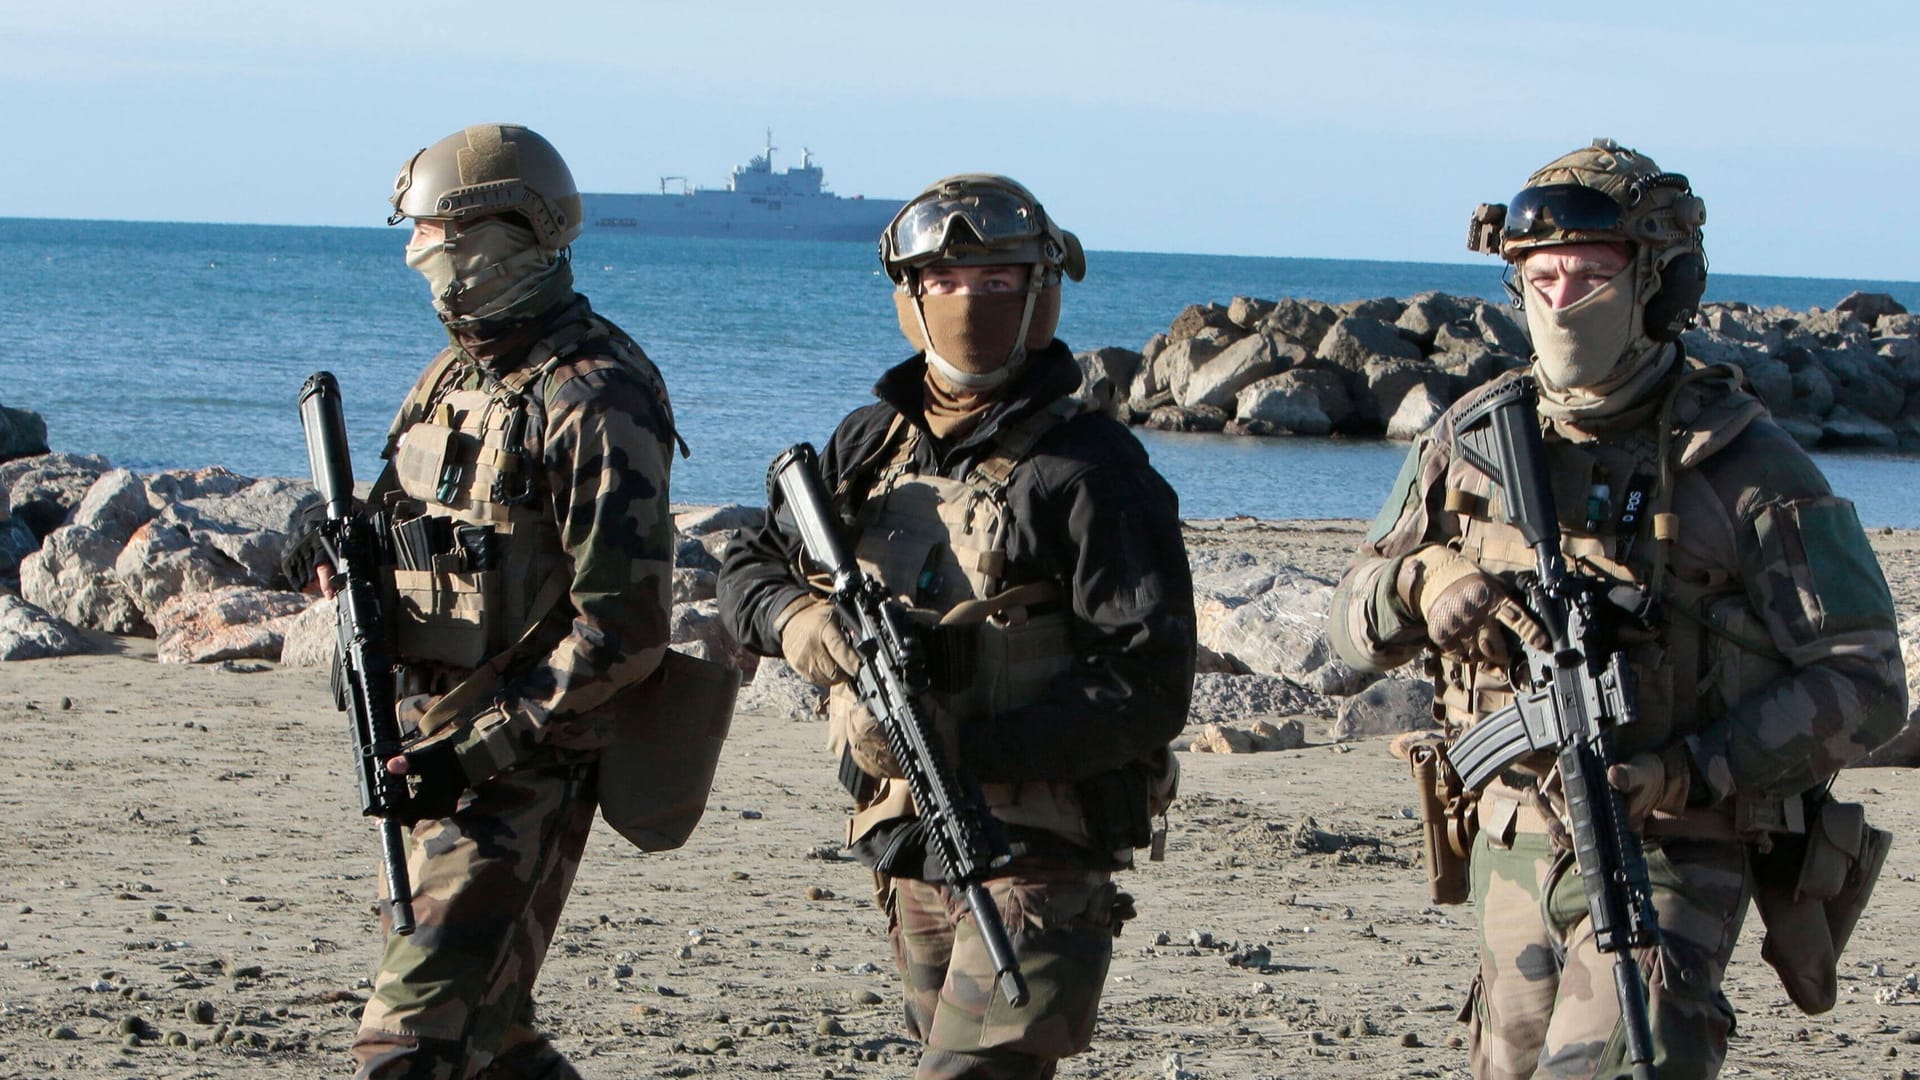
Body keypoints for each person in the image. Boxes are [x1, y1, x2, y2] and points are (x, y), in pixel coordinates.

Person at [1328, 138, 1907, 1079]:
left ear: (1659, 287)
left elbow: (1869, 683)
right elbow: (1347, 623)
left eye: (1590, 274)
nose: (1560, 300)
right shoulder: (1470, 441)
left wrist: (1687, 770)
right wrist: (1421, 584)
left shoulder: (1744, 465)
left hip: (1673, 854)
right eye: (1540, 275)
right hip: (1509, 845)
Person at [717, 174, 1196, 1079]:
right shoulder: (870, 444)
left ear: (1042, 292)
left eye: (999, 279)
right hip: (906, 837)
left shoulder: (1092, 470)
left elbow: (1146, 688)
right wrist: (806, 626)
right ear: (908, 296)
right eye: (942, 279)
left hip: (1041, 846)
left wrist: (966, 745)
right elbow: (747, 564)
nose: (969, 299)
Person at [349, 123, 680, 1080]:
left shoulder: (596, 395)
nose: (418, 253)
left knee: (406, 1046)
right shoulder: (451, 377)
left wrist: (477, 749)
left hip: (520, 769)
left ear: (503, 234)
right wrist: (336, 556)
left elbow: (623, 630)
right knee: (492, 1036)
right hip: (424, 748)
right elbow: (405, 530)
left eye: (434, 233)